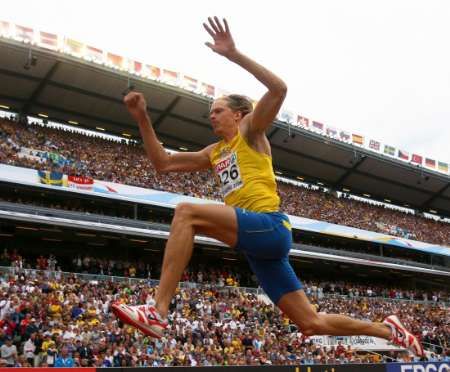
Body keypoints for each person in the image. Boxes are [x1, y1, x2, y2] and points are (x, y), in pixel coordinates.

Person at [113, 16, 423, 357]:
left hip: (270, 226)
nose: (211, 116)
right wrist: (142, 118)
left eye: (217, 111)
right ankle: (389, 330)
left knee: (186, 212)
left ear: (238, 114)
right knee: (311, 324)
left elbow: (279, 89)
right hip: (259, 247)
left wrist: (233, 54)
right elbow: (164, 164)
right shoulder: (214, 153)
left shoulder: (250, 131)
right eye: (210, 113)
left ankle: (157, 311)